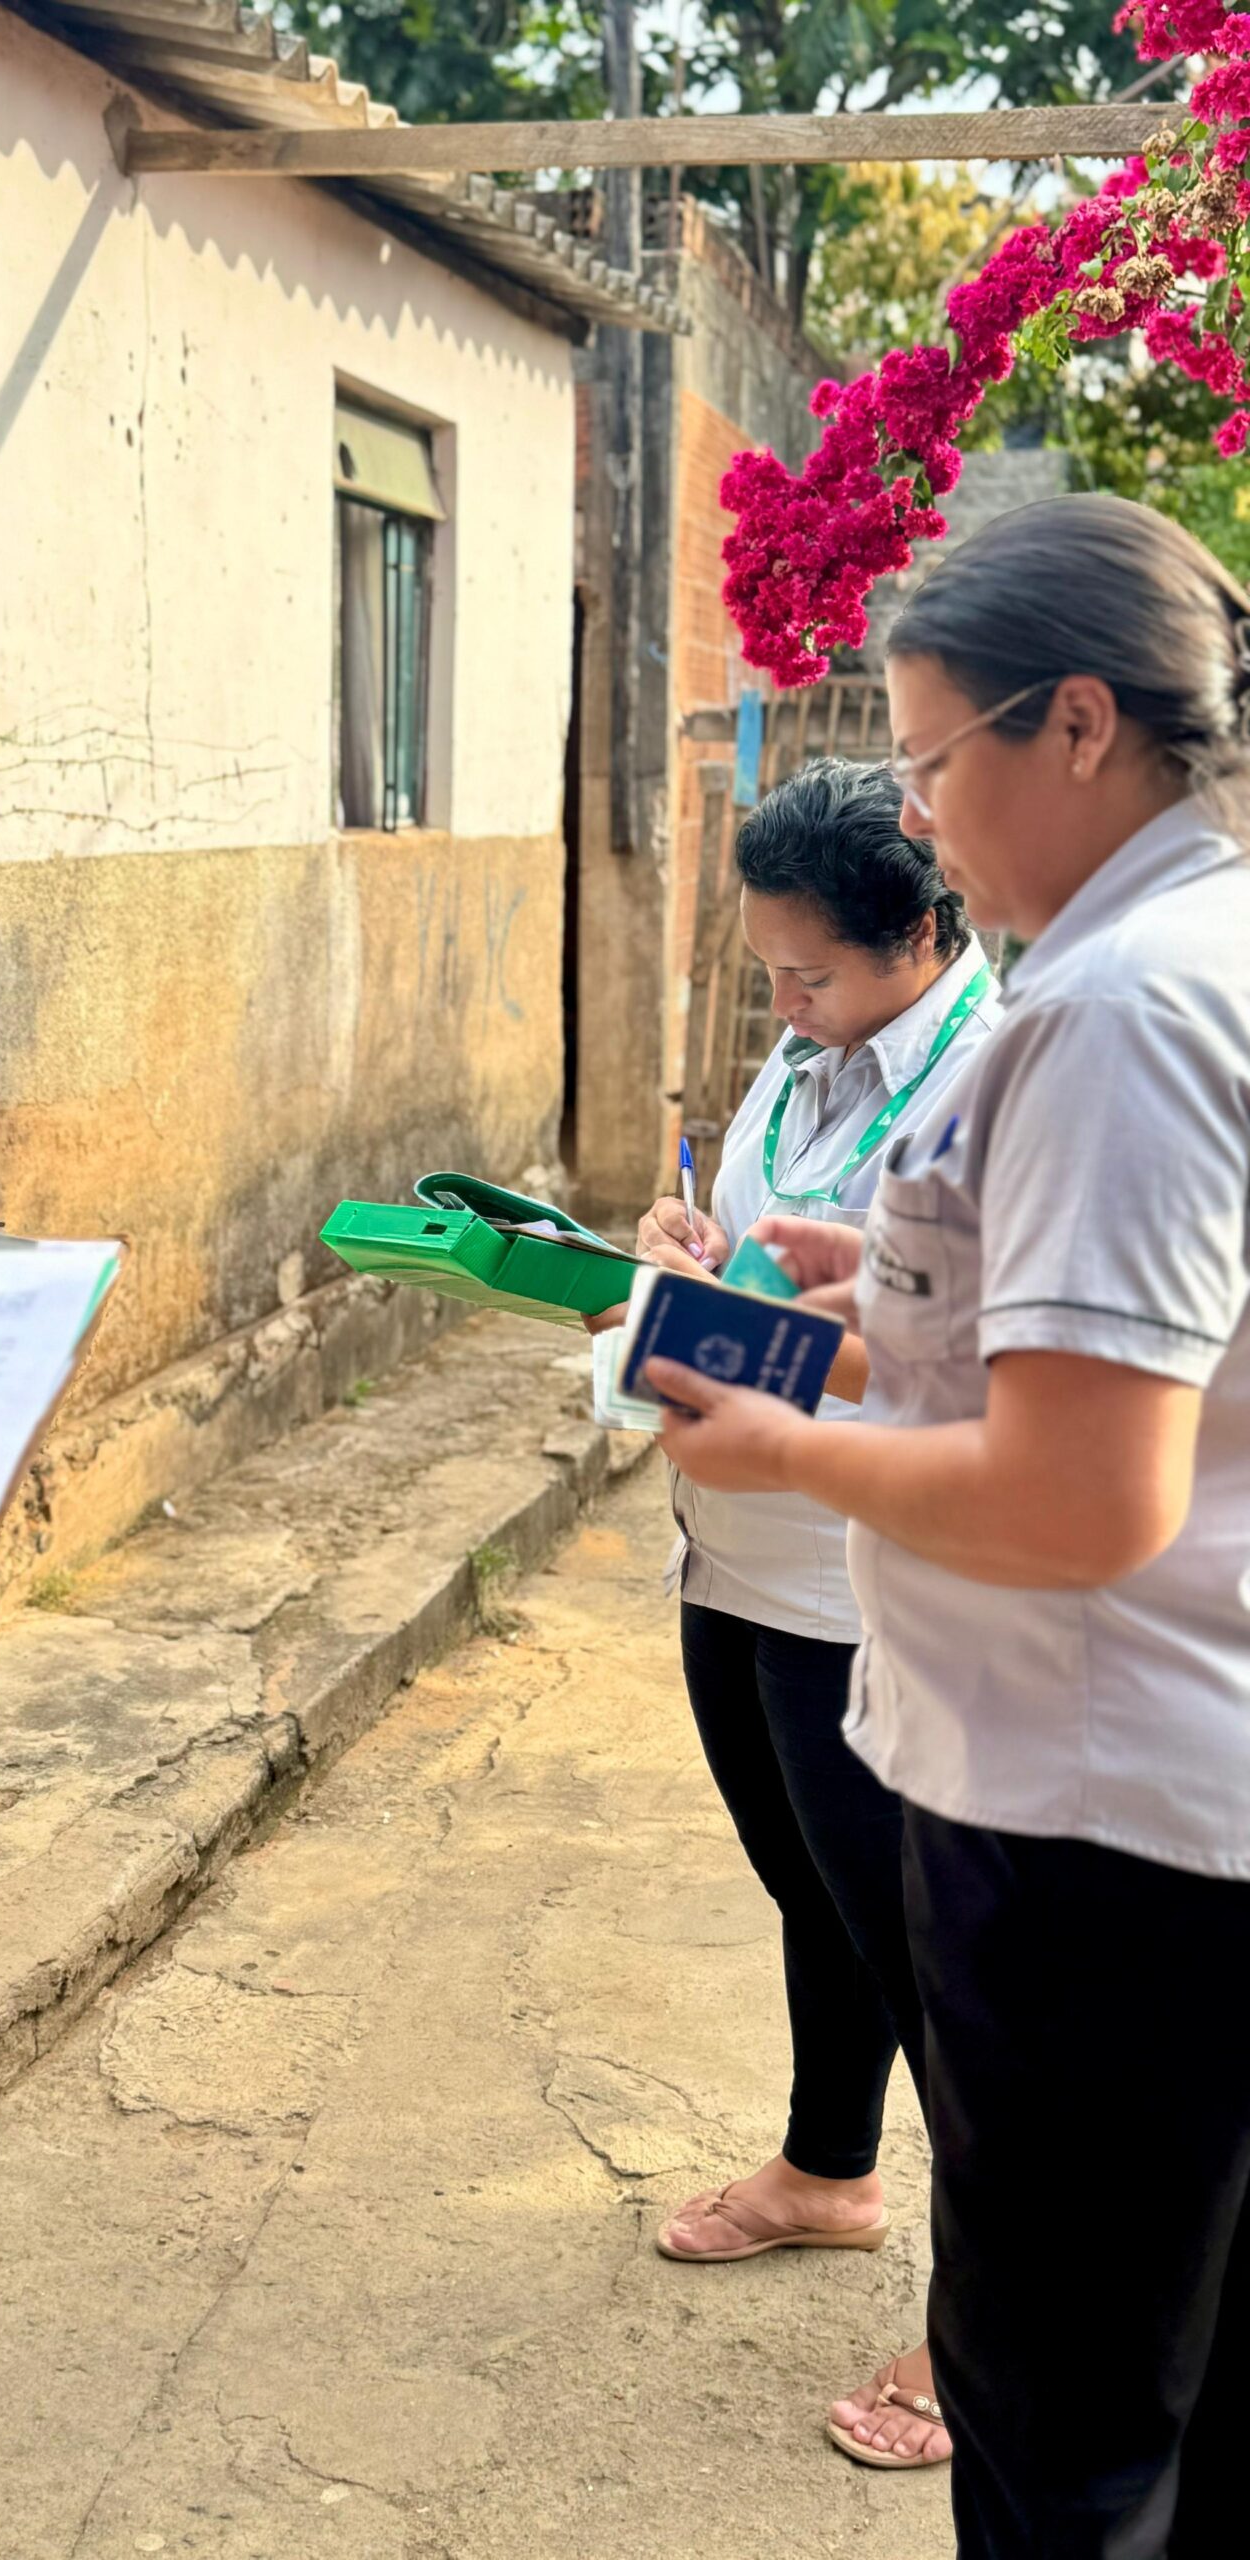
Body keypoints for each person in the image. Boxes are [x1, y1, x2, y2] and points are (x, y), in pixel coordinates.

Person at [652, 492, 1250, 2558]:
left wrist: (782, 1446)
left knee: (1060, 2435)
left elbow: (1086, 1489)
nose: (919, 816)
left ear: (1076, 723)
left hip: (1094, 1826)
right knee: (1139, 2400)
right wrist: (896, 1302)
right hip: (1156, 1801)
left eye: (930, 760)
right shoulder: (1183, 951)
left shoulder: (1113, 1007)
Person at [598, 760, 998, 2470]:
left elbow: (935, 1367)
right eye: (767, 972)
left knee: (936, 1965)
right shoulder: (815, 1046)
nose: (784, 1006)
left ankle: (990, 2327)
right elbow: (780, 1247)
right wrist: (687, 1248)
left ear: (922, 932)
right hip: (736, 1549)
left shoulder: (992, 1080)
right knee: (812, 1894)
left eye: (810, 974)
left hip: (866, 1578)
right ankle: (830, 2168)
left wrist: (683, 1334)